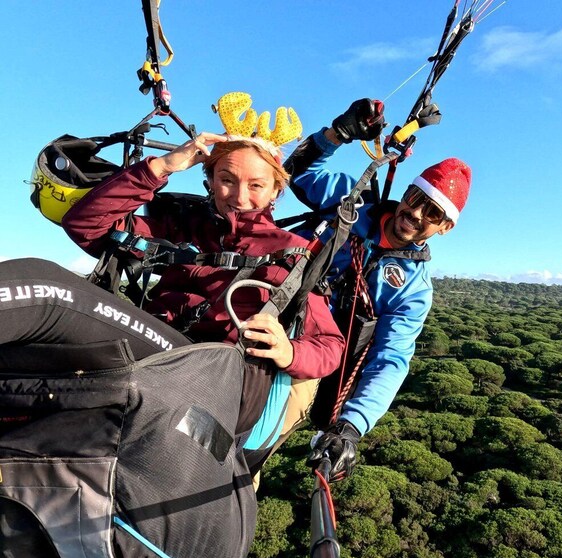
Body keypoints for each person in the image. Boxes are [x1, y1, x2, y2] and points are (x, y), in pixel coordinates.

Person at [57, 132, 346, 437]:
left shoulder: (291, 252)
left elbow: (329, 345)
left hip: (213, 389)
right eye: (227, 179)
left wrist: (288, 352)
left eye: (257, 185)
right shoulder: (181, 227)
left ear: (276, 191)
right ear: (209, 179)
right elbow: (85, 224)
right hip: (147, 359)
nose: (239, 196)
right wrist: (161, 167)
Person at [284, 98, 471, 481]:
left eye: (433, 214)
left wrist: (351, 427)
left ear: (445, 227)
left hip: (306, 352)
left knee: (263, 423)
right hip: (265, 297)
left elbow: (391, 359)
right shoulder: (353, 202)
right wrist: (340, 133)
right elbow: (296, 174)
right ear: (407, 194)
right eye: (417, 200)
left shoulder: (413, 290)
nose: (417, 215)